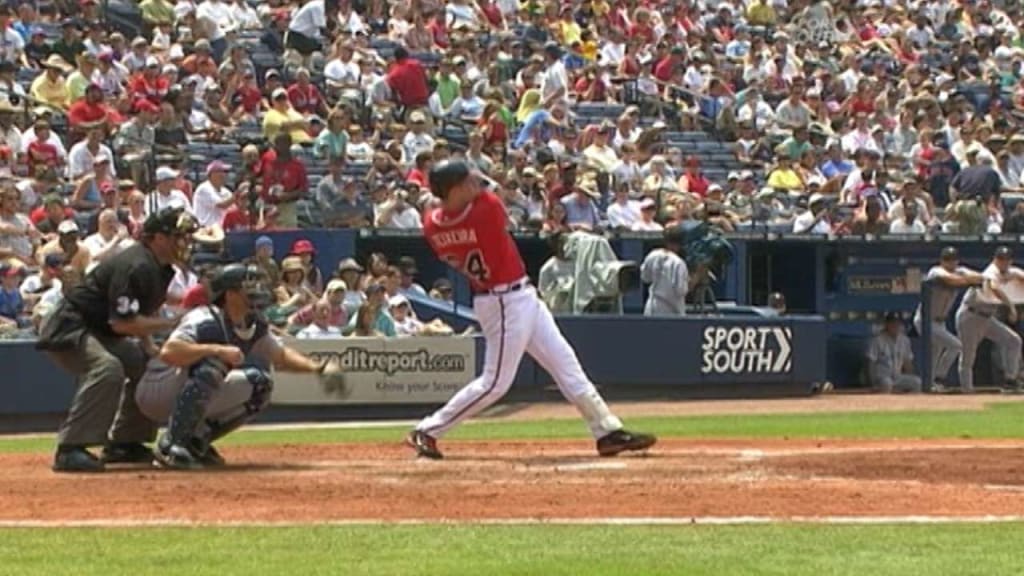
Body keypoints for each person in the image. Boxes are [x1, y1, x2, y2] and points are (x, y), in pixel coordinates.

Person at [406, 160, 655, 459]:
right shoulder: (487, 209)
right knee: (496, 382)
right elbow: (488, 187)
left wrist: (444, 191)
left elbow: (443, 205)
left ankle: (607, 431)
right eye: (466, 182)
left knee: (567, 366)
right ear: (456, 189)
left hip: (516, 296)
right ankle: (428, 429)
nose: (474, 184)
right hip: (502, 301)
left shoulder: (432, 224)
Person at [36, 207, 197, 473]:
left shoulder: (161, 267)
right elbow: (122, 322)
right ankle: (70, 448)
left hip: (98, 330)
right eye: (177, 236)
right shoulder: (137, 264)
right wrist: (171, 322)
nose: (184, 242)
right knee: (108, 368)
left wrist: (149, 347)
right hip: (70, 327)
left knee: (145, 365)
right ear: (157, 238)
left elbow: (140, 309)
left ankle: (125, 441)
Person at [135, 264, 331, 469]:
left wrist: (316, 368)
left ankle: (195, 441)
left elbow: (280, 356)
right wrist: (217, 350)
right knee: (213, 365)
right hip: (157, 388)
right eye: (248, 286)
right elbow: (169, 353)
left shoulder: (252, 323)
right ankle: (171, 445)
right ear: (230, 294)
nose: (256, 291)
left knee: (261, 385)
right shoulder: (204, 318)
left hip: (187, 386)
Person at [955, 246, 1024, 394]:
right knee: (968, 356)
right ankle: (967, 392)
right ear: (995, 259)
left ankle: (1010, 381)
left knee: (1014, 341)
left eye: (1006, 259)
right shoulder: (990, 271)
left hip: (987, 318)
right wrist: (1011, 307)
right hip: (971, 315)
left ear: (1010, 261)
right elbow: (994, 288)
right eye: (1000, 259)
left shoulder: (1011, 272)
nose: (1002, 262)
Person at [913, 247, 982, 390]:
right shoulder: (936, 270)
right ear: (942, 261)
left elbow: (980, 277)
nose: (950, 263)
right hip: (925, 320)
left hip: (941, 321)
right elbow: (949, 279)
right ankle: (939, 377)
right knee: (956, 345)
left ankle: (929, 385)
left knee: (934, 355)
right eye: (947, 260)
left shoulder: (960, 271)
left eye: (953, 260)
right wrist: (966, 280)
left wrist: (964, 278)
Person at [867, 313, 923, 394]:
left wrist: (910, 375)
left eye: (898, 323)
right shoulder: (877, 340)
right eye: (892, 323)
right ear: (886, 325)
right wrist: (871, 382)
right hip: (882, 377)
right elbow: (870, 362)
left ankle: (908, 404)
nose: (895, 326)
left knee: (917, 382)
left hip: (897, 376)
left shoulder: (904, 340)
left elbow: (907, 362)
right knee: (887, 384)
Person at [640, 226, 691, 316]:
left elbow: (645, 277)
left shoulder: (652, 255)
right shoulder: (678, 263)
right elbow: (681, 290)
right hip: (671, 310)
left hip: (652, 306)